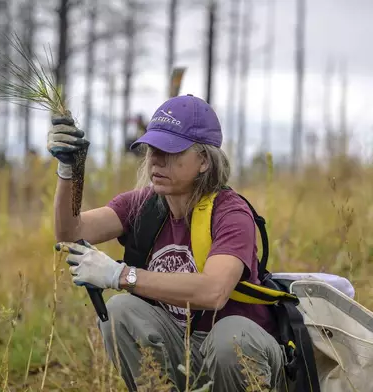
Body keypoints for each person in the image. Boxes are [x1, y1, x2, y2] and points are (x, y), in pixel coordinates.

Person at [47, 94, 287, 392]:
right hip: (183, 349)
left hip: (239, 357)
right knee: (120, 312)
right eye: (152, 150)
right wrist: (69, 172)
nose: (156, 161)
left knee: (230, 337)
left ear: (203, 160)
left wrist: (121, 275)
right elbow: (71, 233)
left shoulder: (230, 213)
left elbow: (214, 292)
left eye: (171, 151)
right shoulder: (142, 205)